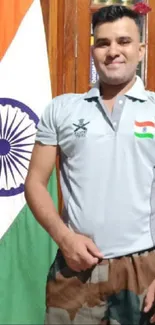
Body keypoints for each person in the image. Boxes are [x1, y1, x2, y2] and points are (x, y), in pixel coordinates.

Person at [25, 4, 155, 325]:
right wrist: (64, 238)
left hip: (144, 270)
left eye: (124, 42)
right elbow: (34, 183)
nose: (113, 51)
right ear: (94, 50)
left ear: (140, 50)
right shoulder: (62, 109)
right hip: (76, 269)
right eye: (103, 43)